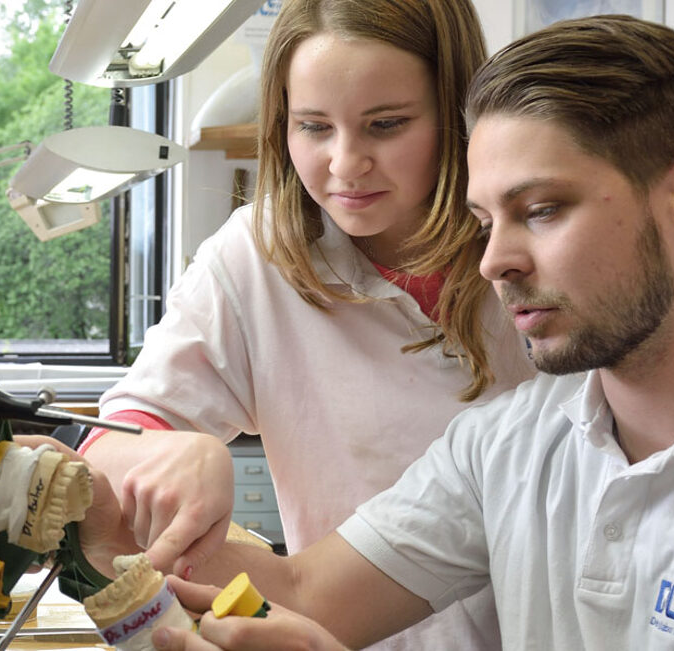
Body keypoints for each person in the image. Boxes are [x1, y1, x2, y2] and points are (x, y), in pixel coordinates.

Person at [121, 15, 674, 650]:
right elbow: (313, 592)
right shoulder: (512, 444)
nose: (491, 262)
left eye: (541, 210)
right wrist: (151, 502)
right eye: (484, 218)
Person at [79, 0, 536, 648]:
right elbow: (110, 441)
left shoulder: (534, 255)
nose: (346, 164)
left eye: (386, 125)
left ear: (456, 112)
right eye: (314, 126)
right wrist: (173, 451)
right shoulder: (259, 256)